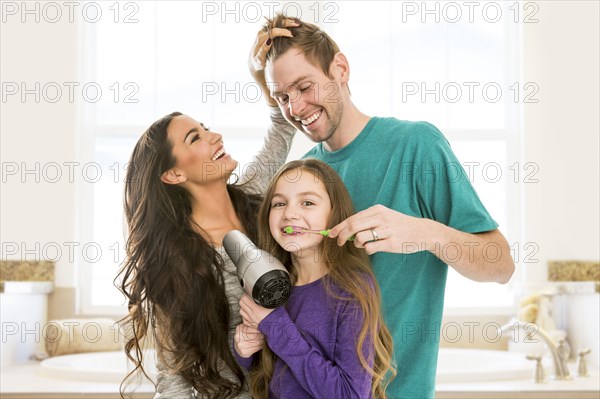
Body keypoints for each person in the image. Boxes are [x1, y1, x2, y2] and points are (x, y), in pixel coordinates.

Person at [248, 14, 516, 399]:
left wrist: (422, 233)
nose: (296, 106)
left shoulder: (416, 146)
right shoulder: (302, 178)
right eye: (282, 97)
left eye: (305, 87)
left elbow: (501, 265)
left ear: (340, 68)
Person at [116, 19, 299, 399]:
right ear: (173, 173)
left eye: (205, 126)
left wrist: (258, 72)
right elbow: (175, 376)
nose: (214, 135)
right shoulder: (172, 262)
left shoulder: (257, 199)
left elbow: (283, 125)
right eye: (194, 137)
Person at [233, 159, 396, 398]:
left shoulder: (351, 289)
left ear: (334, 216)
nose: (289, 213)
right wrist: (245, 351)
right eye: (279, 203)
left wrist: (274, 324)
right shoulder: (267, 284)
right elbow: (278, 372)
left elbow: (349, 394)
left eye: (307, 203)